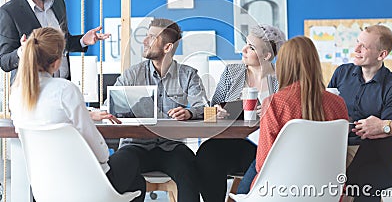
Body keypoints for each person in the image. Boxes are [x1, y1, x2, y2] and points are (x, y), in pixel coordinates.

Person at [9, 27, 146, 202]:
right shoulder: (64, 90)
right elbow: (101, 153)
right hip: (87, 187)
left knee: (134, 180)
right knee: (130, 158)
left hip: (45, 189)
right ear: (57, 62)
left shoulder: (16, 94)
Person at [110, 18, 208, 202]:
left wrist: (189, 113)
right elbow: (111, 106)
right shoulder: (132, 74)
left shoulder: (188, 75)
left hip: (170, 147)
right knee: (115, 167)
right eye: (146, 35)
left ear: (168, 47)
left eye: (151, 37)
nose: (145, 41)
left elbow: (203, 106)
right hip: (135, 146)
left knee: (191, 169)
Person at [196, 24, 286, 202]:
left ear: (267, 55)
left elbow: (290, 114)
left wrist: (271, 111)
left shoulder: (282, 78)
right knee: (207, 153)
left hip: (266, 146)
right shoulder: (232, 72)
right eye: (246, 43)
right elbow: (210, 109)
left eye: (251, 47)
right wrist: (215, 111)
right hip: (231, 143)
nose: (243, 49)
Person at [252, 36, 348, 188]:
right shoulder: (338, 103)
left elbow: (263, 164)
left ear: (283, 65)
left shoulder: (274, 103)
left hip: (281, 191)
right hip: (327, 192)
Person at [0, 0, 109, 82]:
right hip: (31, 94)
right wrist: (23, 52)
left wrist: (82, 40)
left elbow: (62, 42)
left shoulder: (57, 1)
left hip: (62, 86)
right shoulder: (9, 12)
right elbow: (4, 61)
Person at [328, 25, 392, 201]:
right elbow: (326, 107)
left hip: (369, 152)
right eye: (357, 43)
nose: (356, 49)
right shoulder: (341, 73)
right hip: (334, 145)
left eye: (364, 47)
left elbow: (383, 135)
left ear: (381, 54)